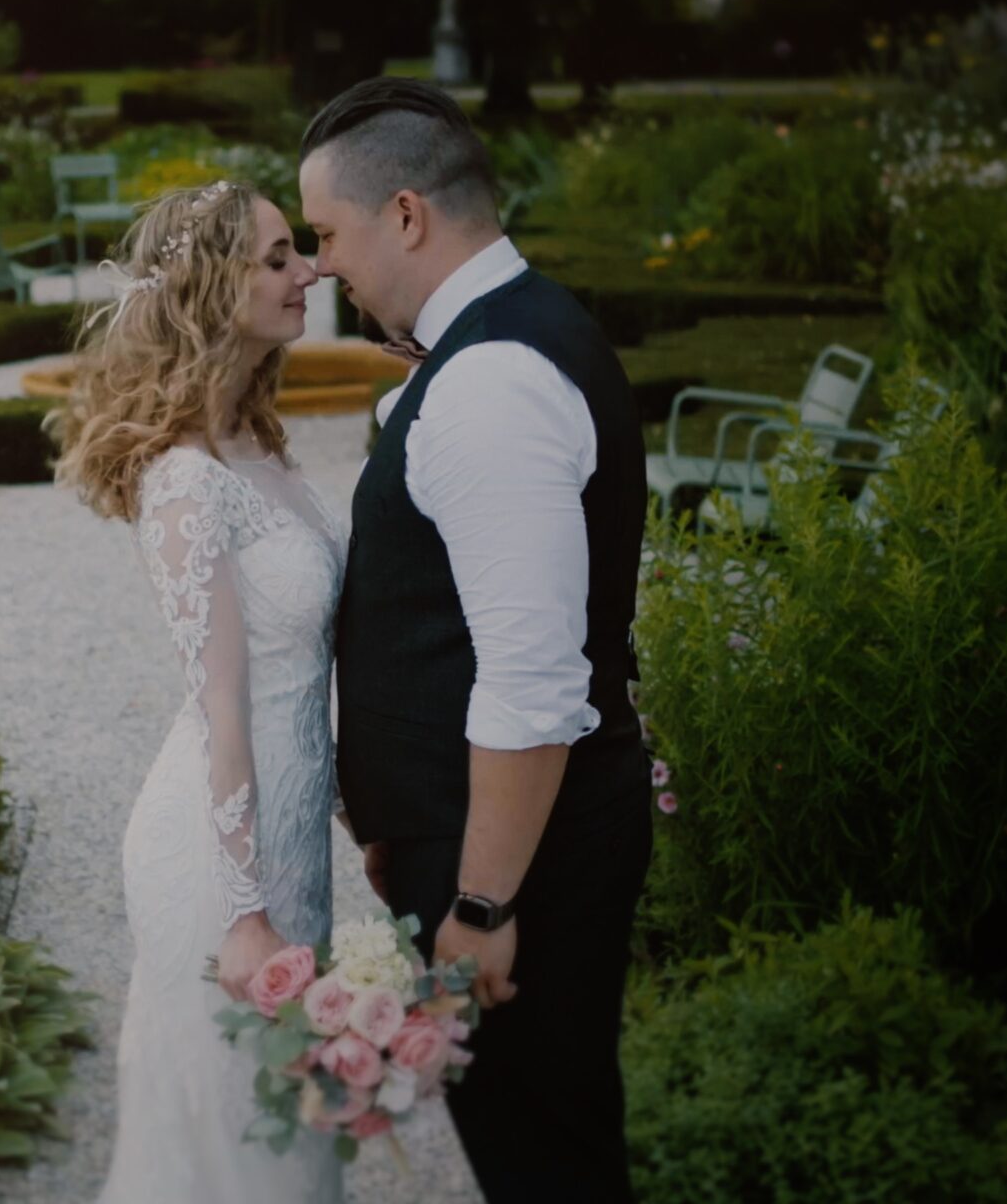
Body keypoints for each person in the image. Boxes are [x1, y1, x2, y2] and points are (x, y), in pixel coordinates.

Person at [302, 76, 655, 1202]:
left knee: (542, 1160)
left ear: (405, 214)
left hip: (514, 866)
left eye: (327, 234)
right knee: (545, 1146)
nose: (321, 266)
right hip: (481, 840)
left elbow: (531, 681)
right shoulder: (489, 347)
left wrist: (482, 903)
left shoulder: (492, 380)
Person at [51, 179, 347, 1204]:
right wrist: (243, 914)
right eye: (277, 257)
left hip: (293, 839)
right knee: (238, 1147)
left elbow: (303, 678)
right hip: (224, 864)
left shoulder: (257, 442)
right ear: (214, 287)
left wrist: (354, 807)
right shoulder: (183, 480)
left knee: (288, 1135)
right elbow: (224, 710)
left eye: (299, 251)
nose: (309, 270)